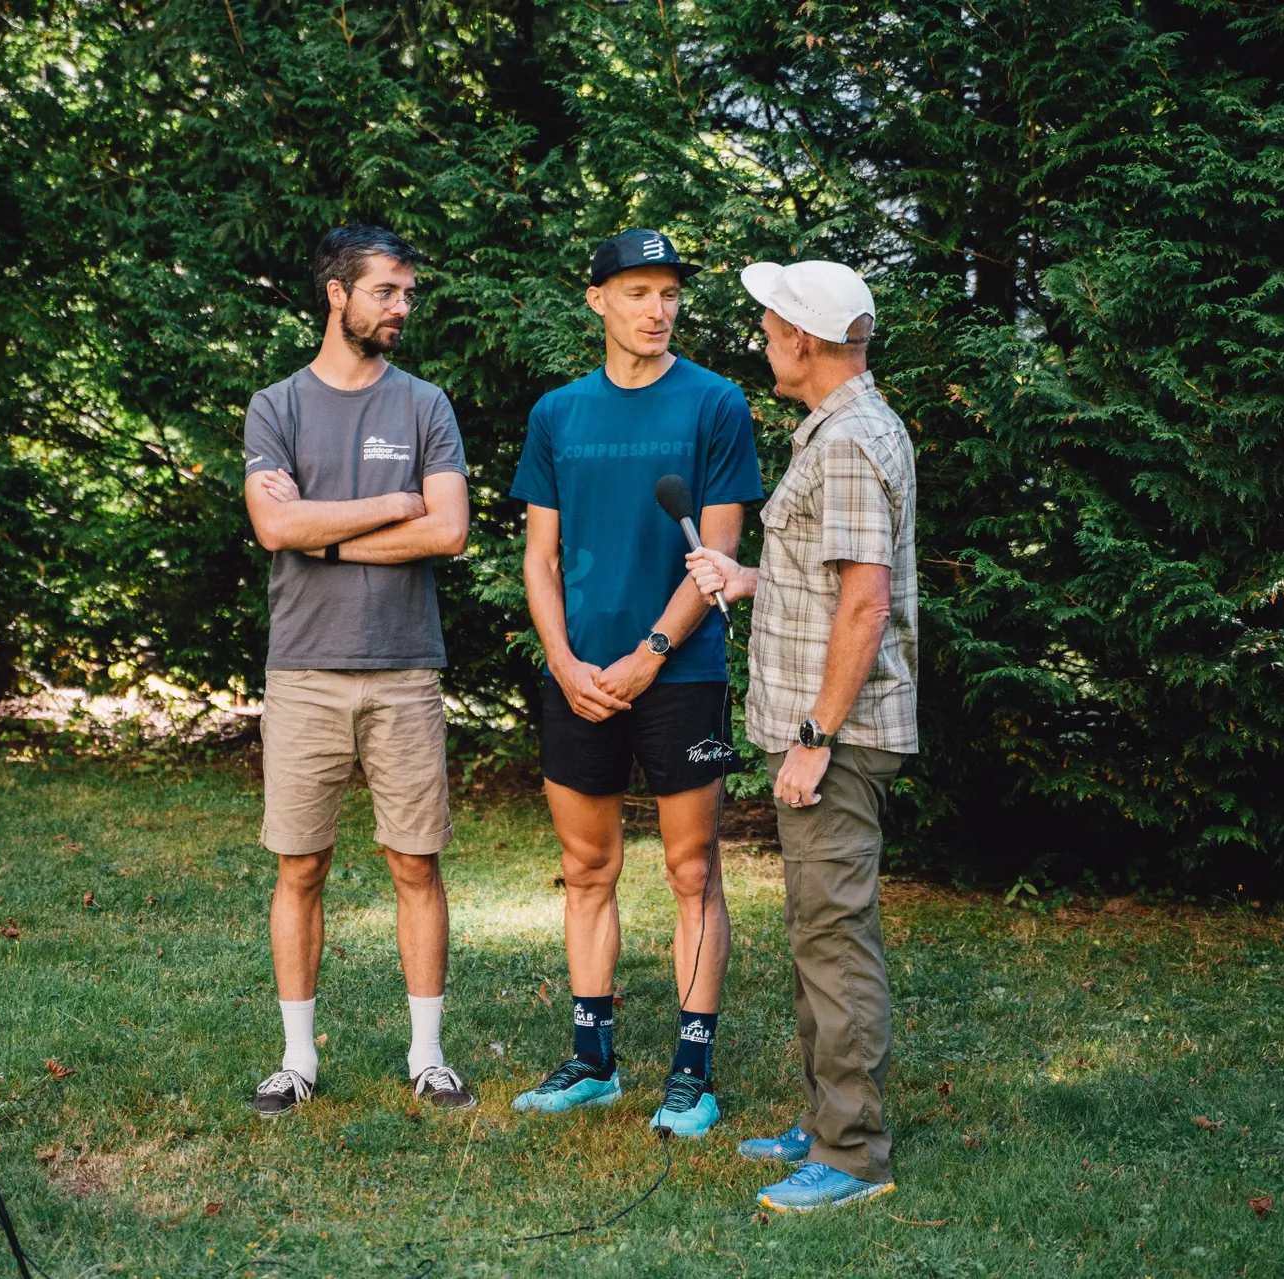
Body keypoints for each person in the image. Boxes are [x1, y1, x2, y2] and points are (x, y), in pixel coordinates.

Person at [507, 229, 765, 1138]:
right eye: (638, 292)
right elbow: (539, 558)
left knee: (692, 869)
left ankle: (692, 1073)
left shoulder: (717, 403)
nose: (657, 310)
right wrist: (567, 663)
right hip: (578, 676)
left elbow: (720, 554)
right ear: (598, 301)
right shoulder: (557, 414)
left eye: (669, 294)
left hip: (680, 669)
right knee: (587, 868)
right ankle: (594, 1060)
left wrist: (650, 653)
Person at [685, 259, 918, 1212]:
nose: (763, 337)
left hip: (839, 732)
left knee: (833, 935)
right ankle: (823, 1120)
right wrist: (746, 579)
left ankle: (854, 1153)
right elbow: (827, 579)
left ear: (809, 344)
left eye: (773, 324)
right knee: (814, 929)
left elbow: (864, 605)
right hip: (822, 727)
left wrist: (816, 733)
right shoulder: (834, 431)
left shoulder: (852, 443)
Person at [239, 225, 474, 1117]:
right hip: (303, 670)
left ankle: (428, 1053)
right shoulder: (277, 407)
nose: (402, 307)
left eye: (408, 292)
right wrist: (390, 505)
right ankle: (296, 1059)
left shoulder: (424, 405)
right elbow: (274, 530)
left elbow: (447, 532)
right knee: (300, 866)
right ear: (337, 294)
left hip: (405, 668)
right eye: (387, 291)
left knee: (416, 863)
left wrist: (325, 531)